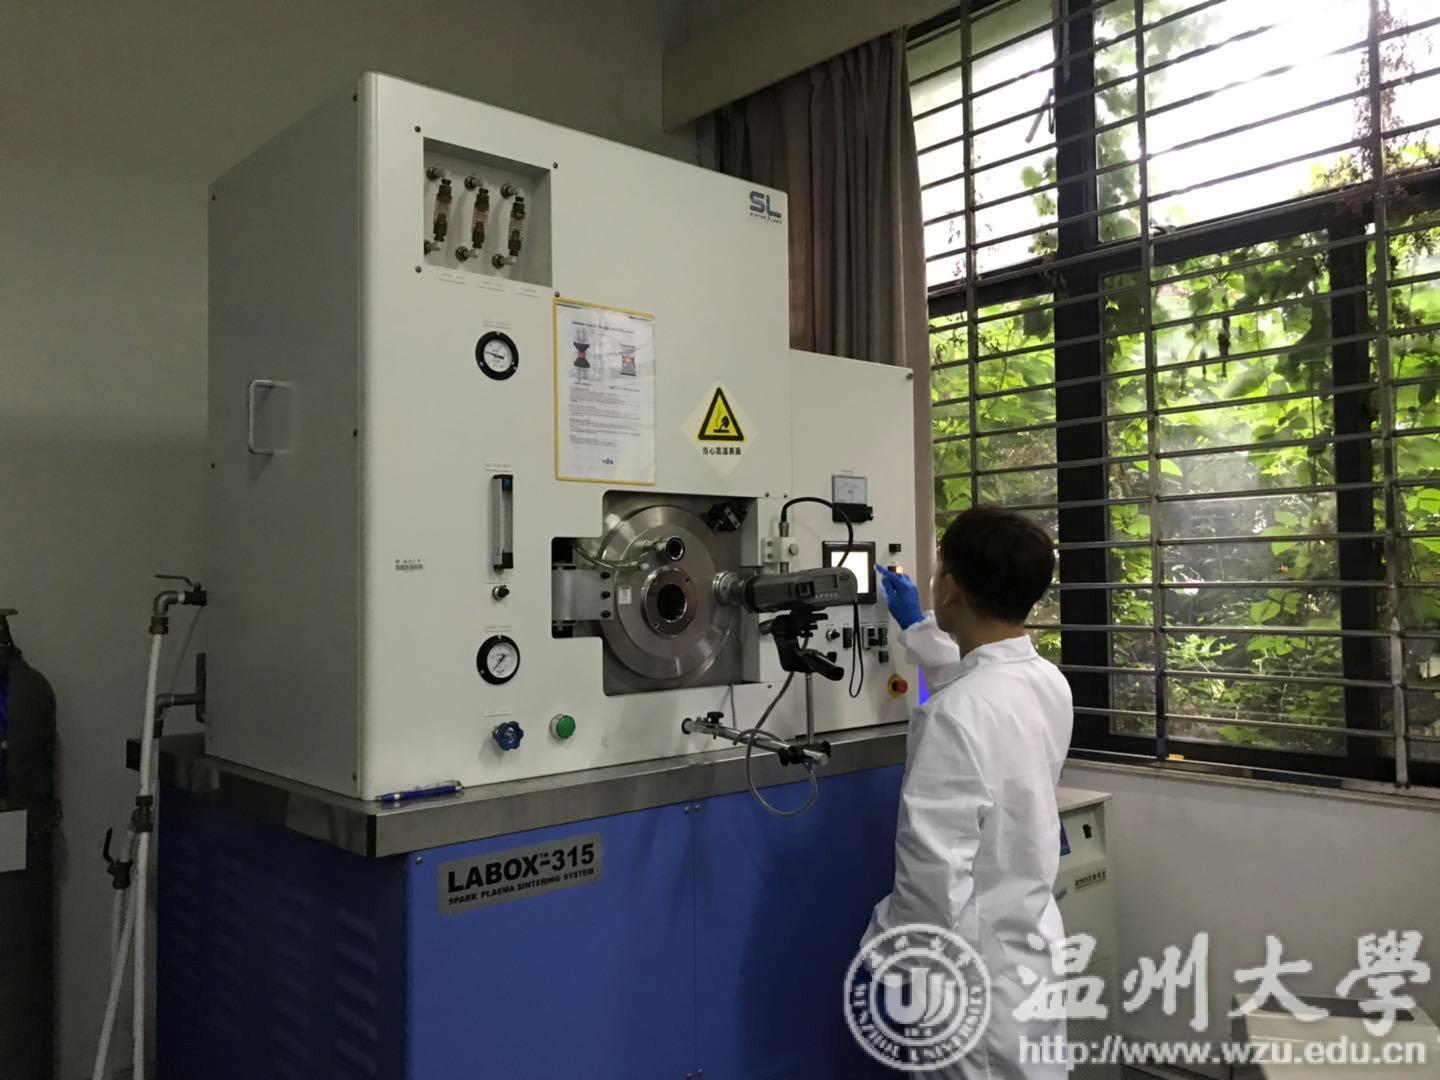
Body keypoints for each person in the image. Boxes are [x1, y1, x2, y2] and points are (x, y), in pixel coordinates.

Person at [863, 505, 1072, 1079]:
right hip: (1028, 951)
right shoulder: (1047, 681)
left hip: (970, 979)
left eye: (938, 569)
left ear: (950, 588)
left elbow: (932, 878)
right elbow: (980, 688)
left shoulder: (954, 716)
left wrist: (884, 952)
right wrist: (918, 630)